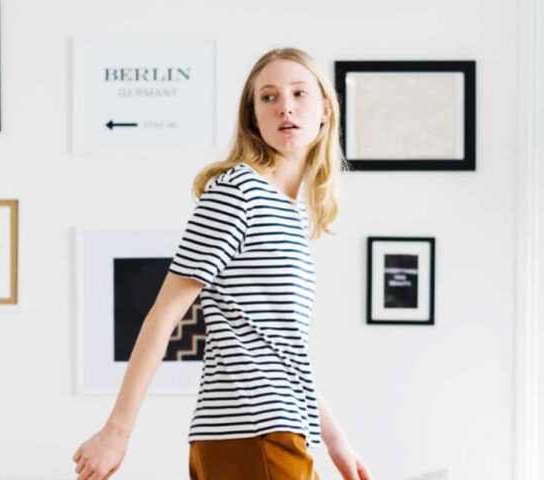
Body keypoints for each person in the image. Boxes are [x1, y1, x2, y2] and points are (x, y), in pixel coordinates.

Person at [72, 47, 374, 480]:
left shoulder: (291, 213)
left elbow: (281, 349)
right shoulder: (238, 191)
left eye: (299, 93)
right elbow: (165, 312)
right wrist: (117, 430)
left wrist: (335, 440)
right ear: (253, 117)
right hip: (254, 429)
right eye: (268, 97)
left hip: (272, 430)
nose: (285, 106)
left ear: (325, 110)